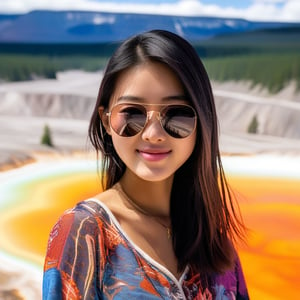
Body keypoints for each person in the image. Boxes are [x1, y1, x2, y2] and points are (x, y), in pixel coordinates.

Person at [43, 29, 249, 299]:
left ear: (202, 122)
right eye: (132, 114)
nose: (153, 134)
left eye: (177, 115)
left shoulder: (216, 245)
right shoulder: (84, 233)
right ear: (106, 121)